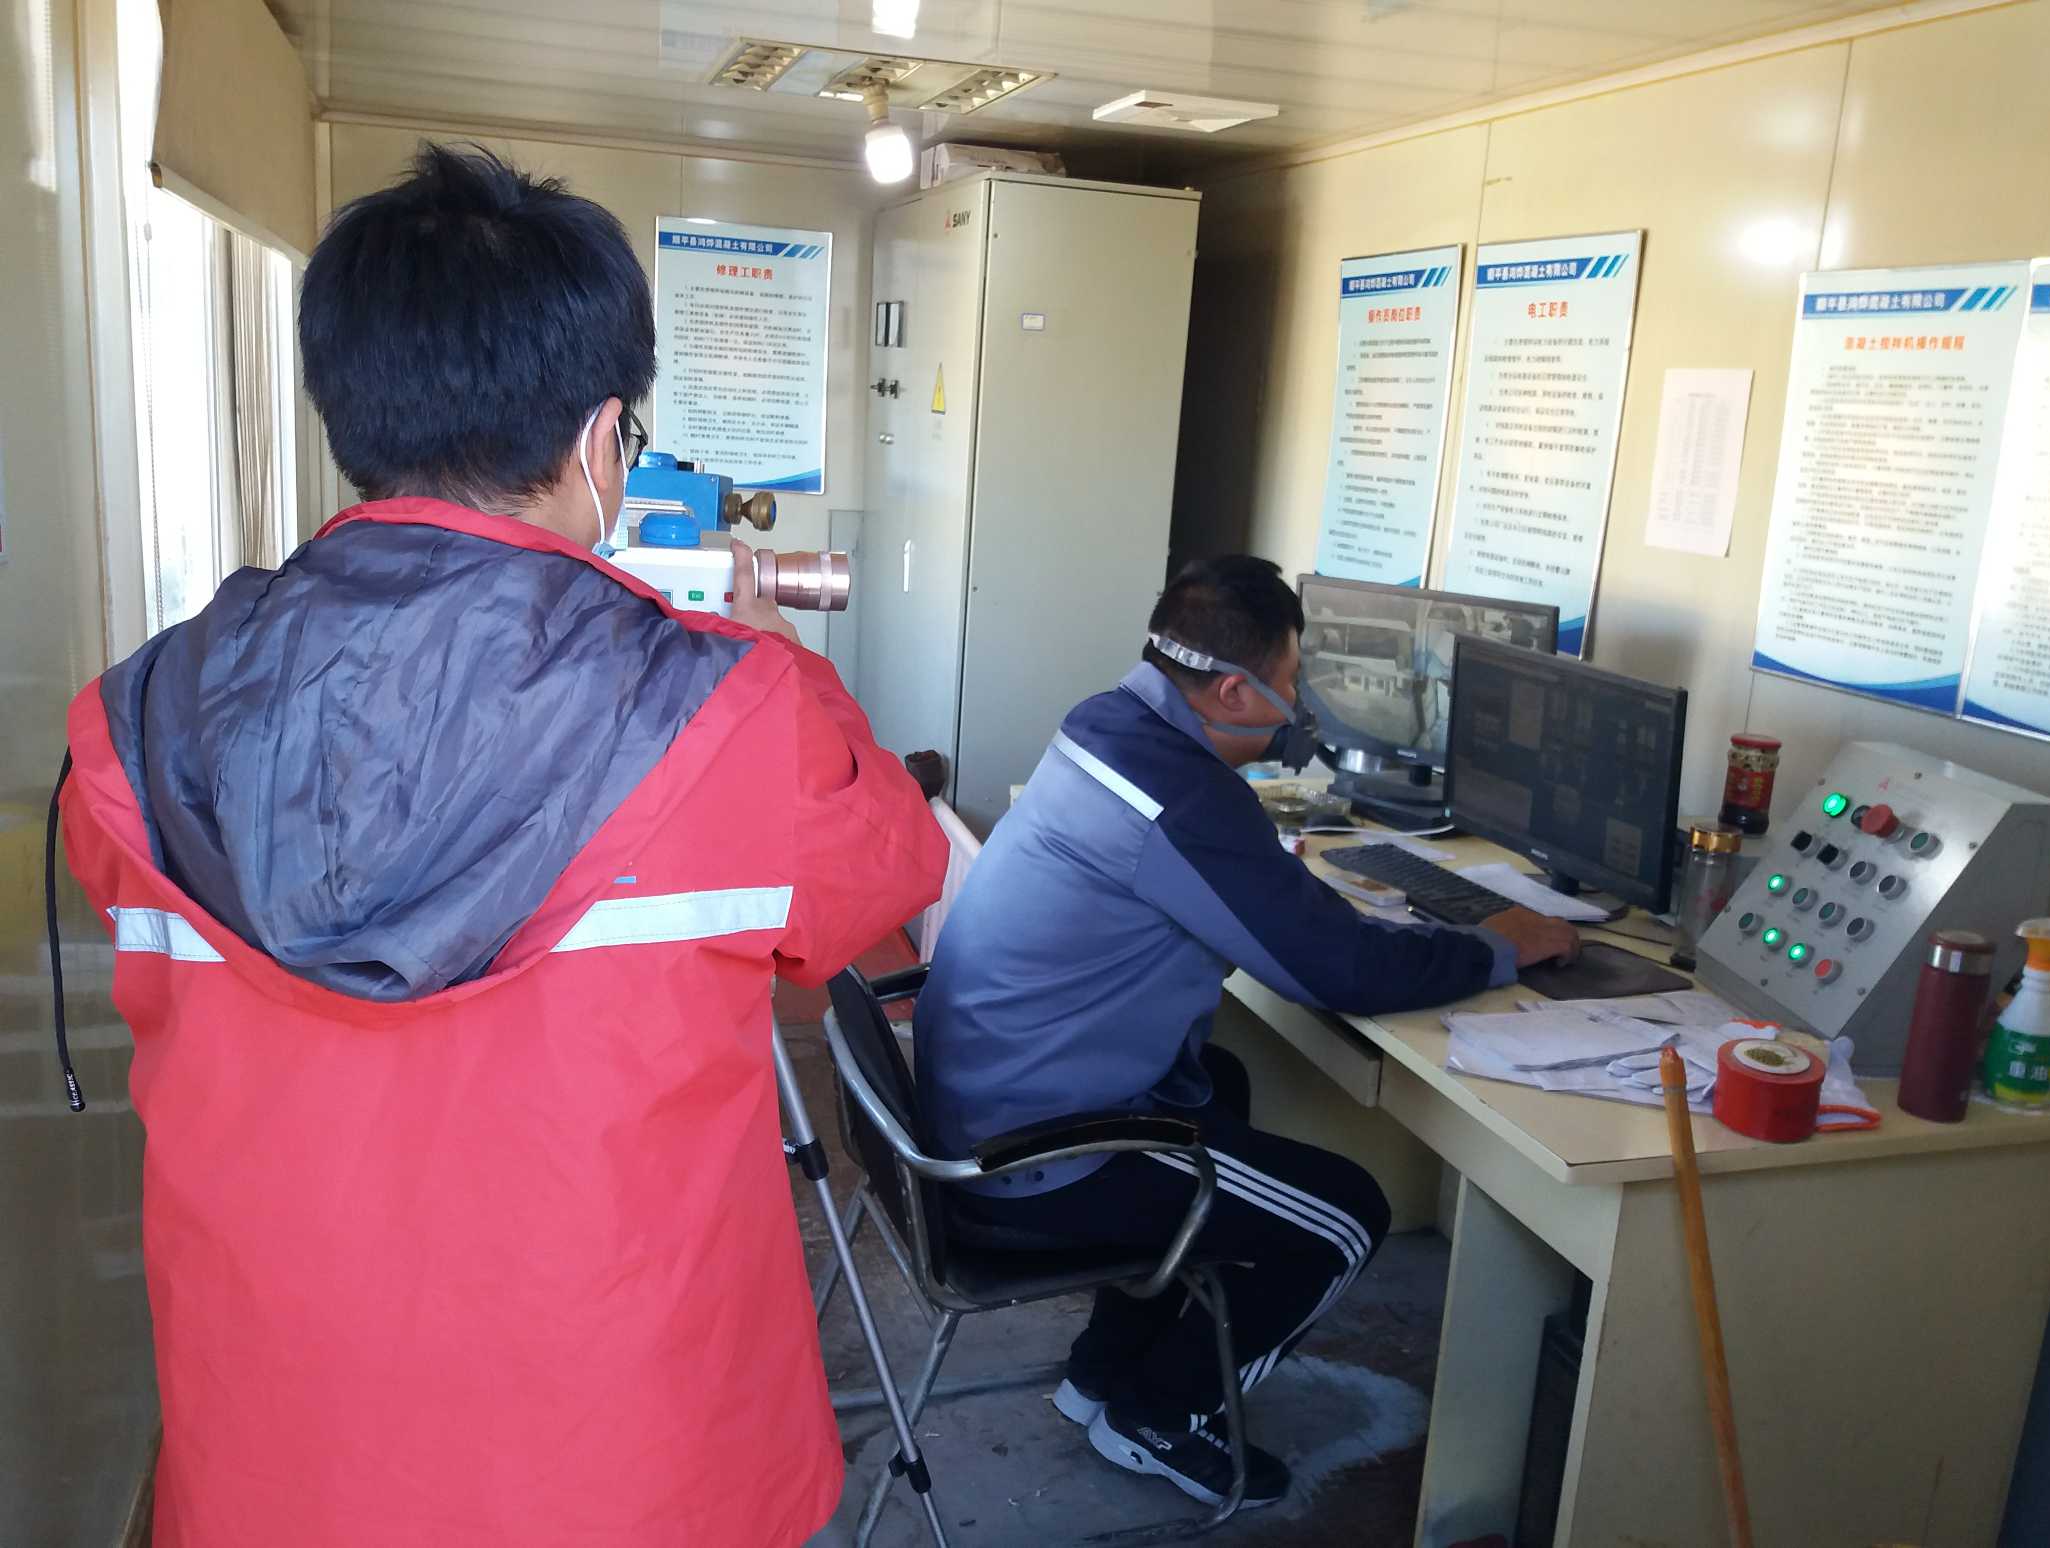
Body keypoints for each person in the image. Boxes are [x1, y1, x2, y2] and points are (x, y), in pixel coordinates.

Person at [55, 145, 944, 1548]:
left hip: (279, 1464)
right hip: (631, 1476)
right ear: (603, 439)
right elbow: (894, 871)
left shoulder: (136, 723)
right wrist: (778, 657)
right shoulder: (730, 711)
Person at [914, 555, 1578, 1509]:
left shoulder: (1106, 724)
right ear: (1233, 690)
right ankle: (1161, 1413)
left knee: (1220, 1084)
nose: (1296, 704)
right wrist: (1498, 947)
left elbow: (1259, 908)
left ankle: (1105, 1371)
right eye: (1292, 680)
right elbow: (1337, 971)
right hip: (1032, 1155)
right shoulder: (1187, 799)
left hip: (976, 1106)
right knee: (1346, 1218)